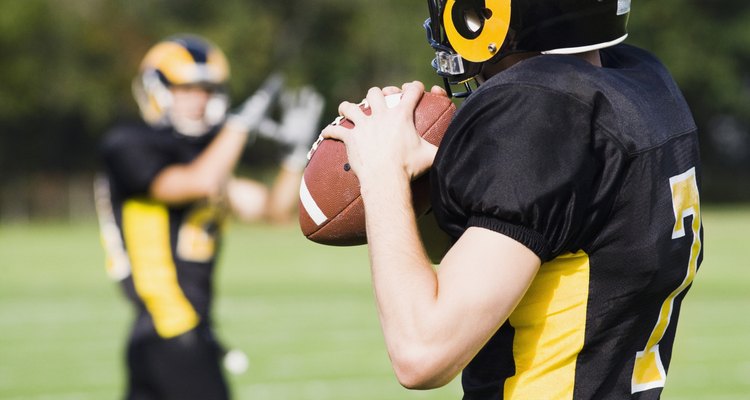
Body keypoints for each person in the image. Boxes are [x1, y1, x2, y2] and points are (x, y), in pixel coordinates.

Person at [322, 1, 703, 399]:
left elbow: (421, 353)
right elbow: (541, 239)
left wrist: (382, 173)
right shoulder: (640, 85)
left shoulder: (540, 109)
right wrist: (437, 178)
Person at [94, 34, 324, 400]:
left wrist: (296, 156)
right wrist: (240, 126)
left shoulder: (205, 156)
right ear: (157, 89)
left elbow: (273, 209)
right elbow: (198, 181)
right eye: (186, 89)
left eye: (206, 89)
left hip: (180, 333)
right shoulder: (129, 143)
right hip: (169, 328)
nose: (198, 100)